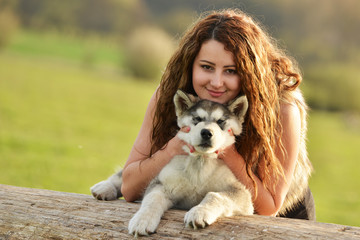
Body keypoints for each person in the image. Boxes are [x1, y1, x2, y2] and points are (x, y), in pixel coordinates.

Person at [120, 9, 315, 220]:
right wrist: (173, 149)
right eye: (207, 67)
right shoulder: (169, 96)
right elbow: (129, 188)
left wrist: (227, 153)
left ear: (249, 73)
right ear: (190, 65)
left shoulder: (281, 109)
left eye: (231, 71)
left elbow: (269, 207)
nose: (216, 82)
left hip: (282, 220)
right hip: (196, 209)